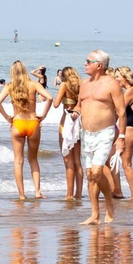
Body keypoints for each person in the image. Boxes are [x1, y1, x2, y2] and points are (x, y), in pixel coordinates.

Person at [77, 50, 129, 226]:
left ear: (98, 65)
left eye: (88, 61)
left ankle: (109, 203)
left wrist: (121, 137)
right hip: (86, 134)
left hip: (105, 133)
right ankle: (94, 215)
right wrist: (74, 113)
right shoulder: (83, 84)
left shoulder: (111, 84)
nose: (85, 64)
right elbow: (79, 105)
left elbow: (121, 112)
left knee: (98, 171)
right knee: (90, 175)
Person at [0, 60, 50, 200]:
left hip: (17, 123)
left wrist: (7, 117)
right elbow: (49, 97)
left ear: (12, 72)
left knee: (18, 161)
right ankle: (37, 192)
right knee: (33, 159)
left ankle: (22, 195)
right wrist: (43, 115)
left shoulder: (10, 86)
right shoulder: (34, 84)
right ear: (25, 71)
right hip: (33, 123)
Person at [51, 66, 84, 200]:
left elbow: (56, 104)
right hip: (80, 123)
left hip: (66, 122)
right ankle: (79, 194)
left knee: (67, 159)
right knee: (78, 161)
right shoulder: (82, 84)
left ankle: (69, 194)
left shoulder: (64, 85)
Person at [113, 65, 133, 200]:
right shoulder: (130, 90)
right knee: (116, 160)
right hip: (129, 127)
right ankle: (117, 191)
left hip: (130, 128)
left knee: (126, 164)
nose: (116, 79)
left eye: (117, 77)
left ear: (125, 77)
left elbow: (119, 109)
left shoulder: (131, 90)